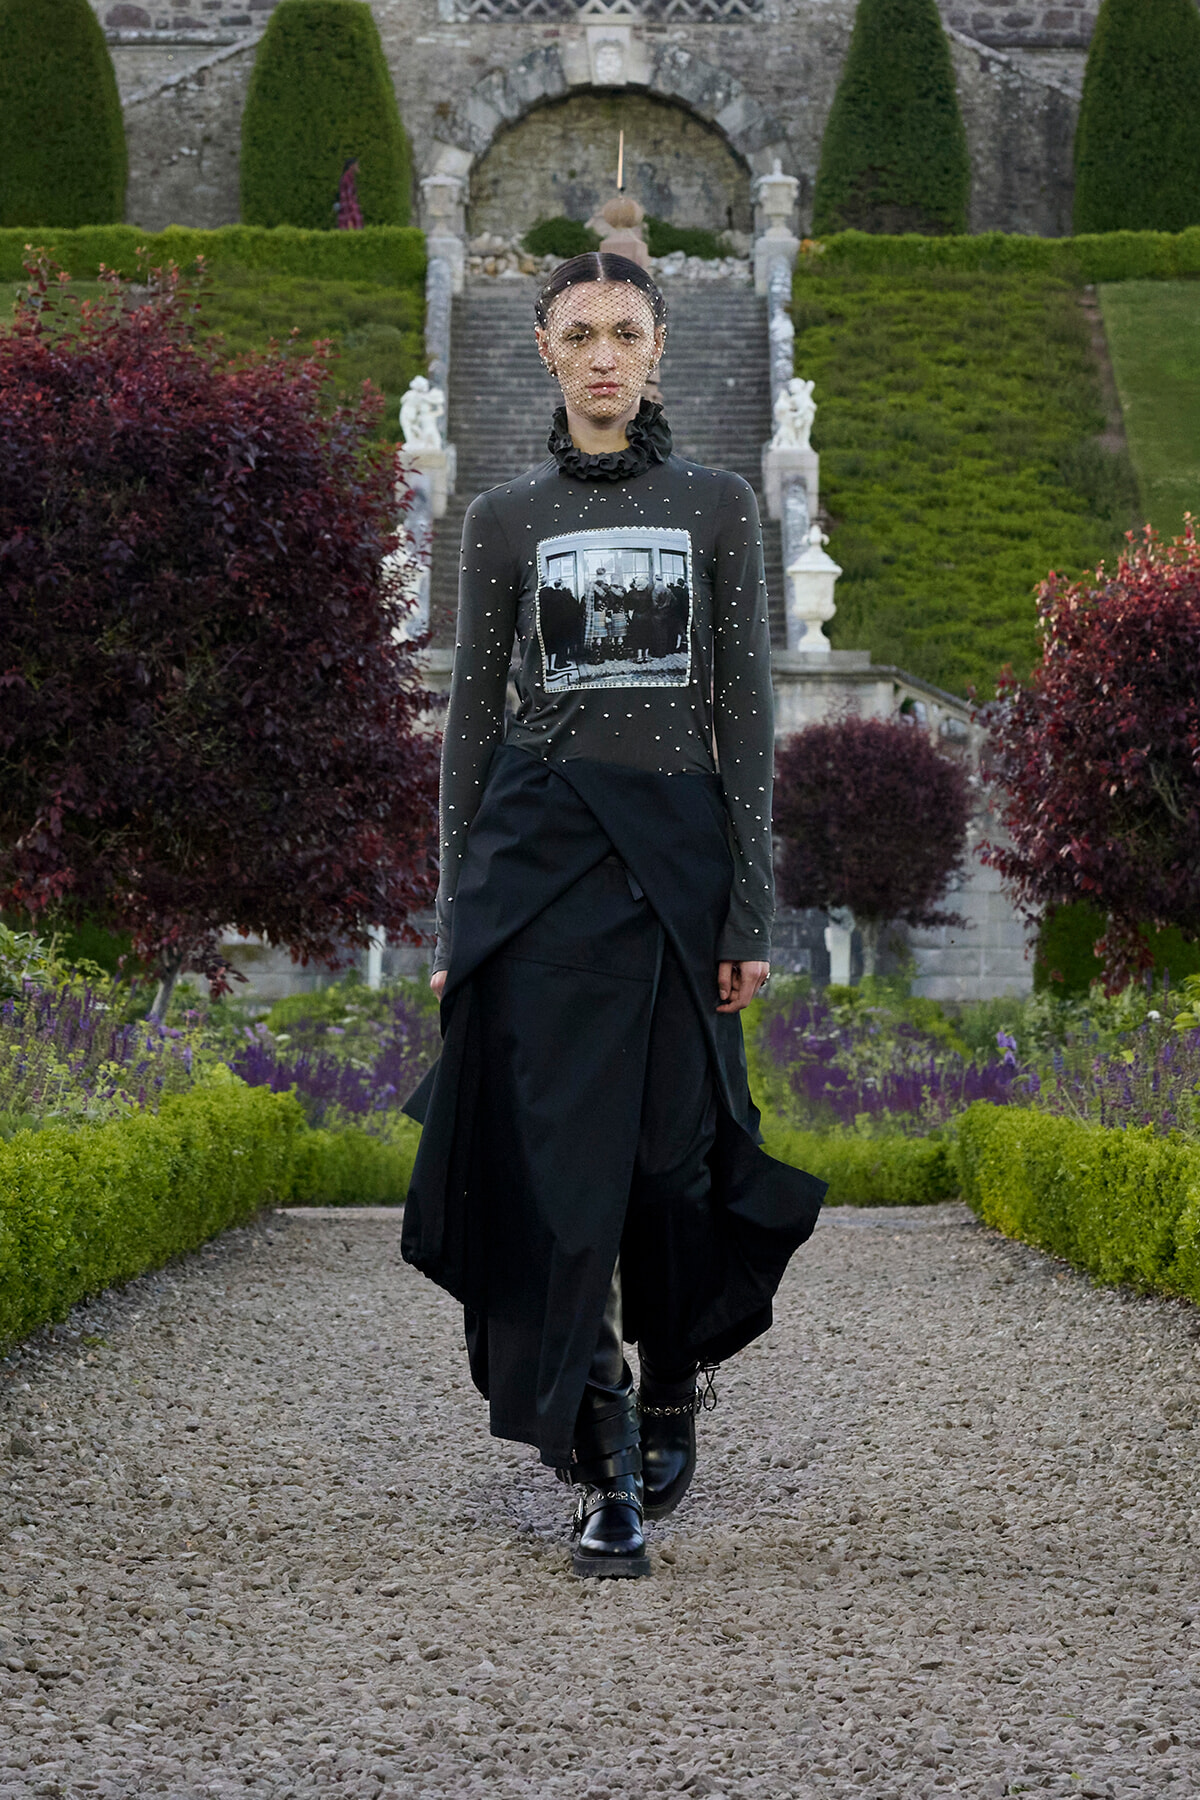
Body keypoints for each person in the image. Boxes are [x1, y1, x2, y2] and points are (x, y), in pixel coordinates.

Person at [402, 251, 825, 1580]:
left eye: (623, 334)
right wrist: (452, 916)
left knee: (667, 1160)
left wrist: (749, 905)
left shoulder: (715, 507)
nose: (600, 355)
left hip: (675, 865)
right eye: (577, 332)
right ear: (543, 349)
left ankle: (667, 1383)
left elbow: (746, 724)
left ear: (655, 353)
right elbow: (472, 728)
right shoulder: (507, 517)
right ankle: (602, 1463)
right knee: (555, 1169)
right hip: (537, 867)